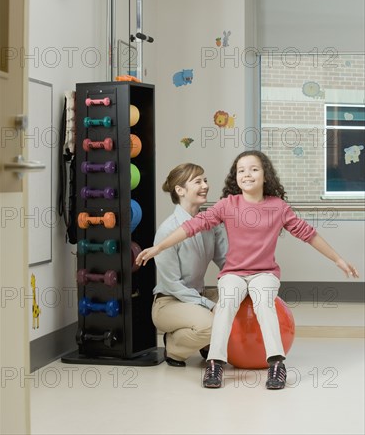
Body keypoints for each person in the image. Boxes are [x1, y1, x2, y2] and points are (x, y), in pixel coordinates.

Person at [136, 150, 360, 389]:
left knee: (264, 303)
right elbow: (192, 227)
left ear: (265, 175)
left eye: (254, 169)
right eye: (241, 170)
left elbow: (308, 234)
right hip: (234, 274)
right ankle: (215, 363)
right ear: (236, 177)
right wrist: (158, 247)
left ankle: (276, 364)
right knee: (226, 304)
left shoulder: (278, 207)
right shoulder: (227, 205)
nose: (247, 174)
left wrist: (338, 259)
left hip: (264, 274)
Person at [151, 163, 227, 367]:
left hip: (198, 296)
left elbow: (227, 262)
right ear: (180, 190)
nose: (205, 185)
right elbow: (173, 285)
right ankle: (174, 346)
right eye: (198, 181)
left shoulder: (212, 223)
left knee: (236, 303)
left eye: (205, 180)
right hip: (170, 301)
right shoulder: (168, 231)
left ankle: (204, 342)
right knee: (214, 324)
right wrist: (211, 306)